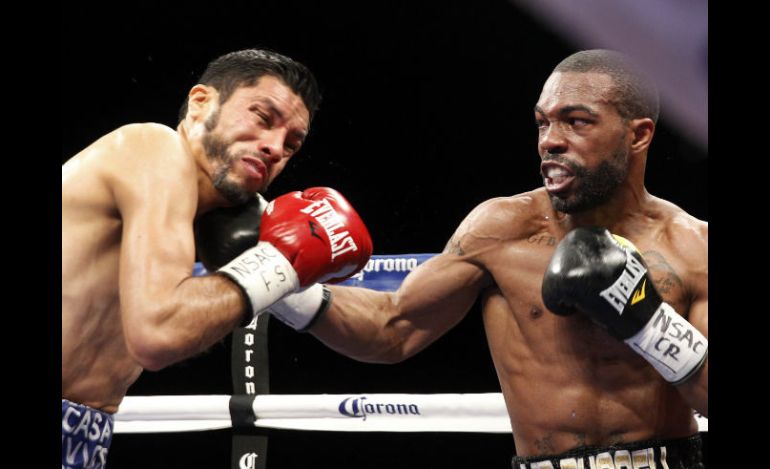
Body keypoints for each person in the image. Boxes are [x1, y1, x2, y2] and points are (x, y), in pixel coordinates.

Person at [283, 49, 708, 468]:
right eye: (542, 123)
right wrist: (279, 281)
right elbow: (393, 328)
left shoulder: (693, 248)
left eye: (576, 122)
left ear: (638, 135)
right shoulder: (501, 229)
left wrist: (651, 324)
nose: (551, 141)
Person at [61, 49, 372, 469]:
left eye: (292, 144)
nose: (275, 147)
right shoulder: (151, 148)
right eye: (263, 118)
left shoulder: (241, 226)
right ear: (201, 102)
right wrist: (279, 263)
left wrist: (476, 259)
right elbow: (157, 333)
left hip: (85, 435)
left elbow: (386, 335)